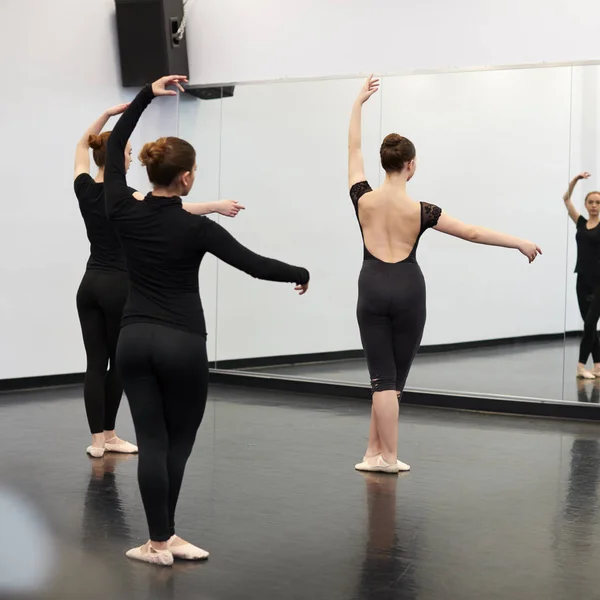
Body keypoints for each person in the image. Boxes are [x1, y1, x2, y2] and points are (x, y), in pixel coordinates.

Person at [104, 75, 310, 566]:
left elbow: (113, 145)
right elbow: (256, 265)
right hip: (181, 343)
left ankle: (161, 540)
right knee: (177, 442)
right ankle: (161, 538)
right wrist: (299, 272)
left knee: (151, 440)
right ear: (187, 178)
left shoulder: (120, 211)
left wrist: (146, 96)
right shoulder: (196, 227)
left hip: (133, 340)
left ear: (152, 171)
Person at [348, 76, 542, 474]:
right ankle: (388, 457)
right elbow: (472, 232)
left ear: (385, 163)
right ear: (411, 165)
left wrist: (357, 104)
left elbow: (352, 148)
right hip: (407, 289)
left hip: (370, 286)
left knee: (380, 379)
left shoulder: (361, 197)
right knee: (392, 383)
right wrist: (518, 241)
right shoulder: (424, 210)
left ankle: (372, 453)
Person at [74, 109, 245, 459]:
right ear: (119, 158)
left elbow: (80, 146)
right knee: (119, 364)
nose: (131, 157)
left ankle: (97, 441)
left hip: (89, 284)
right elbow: (176, 209)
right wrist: (217, 205)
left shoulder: (85, 188)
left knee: (95, 363)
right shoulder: (127, 198)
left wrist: (106, 114)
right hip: (117, 286)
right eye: (127, 153)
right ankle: (109, 433)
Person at [562, 173, 600, 379]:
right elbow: (566, 199)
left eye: (597, 202)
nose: (594, 205)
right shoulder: (580, 223)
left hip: (599, 282)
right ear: (586, 204)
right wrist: (575, 180)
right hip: (582, 280)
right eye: (591, 202)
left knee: (589, 323)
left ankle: (580, 366)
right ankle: (598, 366)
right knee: (589, 323)